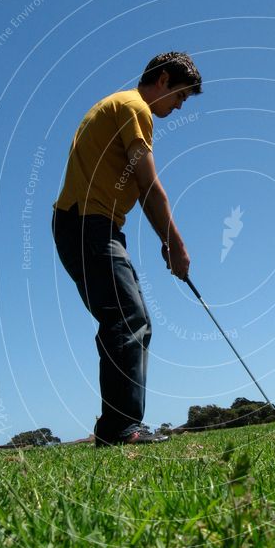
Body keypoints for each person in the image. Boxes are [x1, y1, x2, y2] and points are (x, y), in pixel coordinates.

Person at [51, 51, 202, 447]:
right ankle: (121, 429)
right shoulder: (135, 107)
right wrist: (176, 244)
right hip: (89, 223)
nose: (179, 106)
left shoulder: (117, 106)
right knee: (128, 317)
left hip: (91, 224)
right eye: (180, 96)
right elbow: (150, 186)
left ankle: (112, 429)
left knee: (125, 317)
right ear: (164, 79)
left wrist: (163, 240)